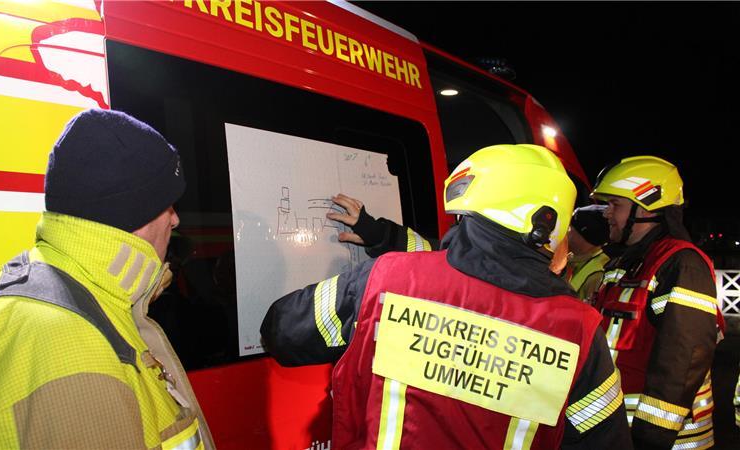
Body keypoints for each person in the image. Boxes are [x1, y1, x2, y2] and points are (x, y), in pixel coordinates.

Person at [262, 144, 630, 449]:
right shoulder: (579, 333)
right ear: (547, 225)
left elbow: (281, 331)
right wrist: (380, 234)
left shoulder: (386, 279)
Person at [0, 109, 215, 449]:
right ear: (133, 211)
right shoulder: (71, 352)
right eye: (166, 204)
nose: (174, 220)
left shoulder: (24, 286)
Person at [590, 155, 721, 449]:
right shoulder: (624, 263)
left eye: (615, 205)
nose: (606, 214)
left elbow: (684, 358)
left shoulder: (682, 264)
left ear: (647, 207)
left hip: (665, 441)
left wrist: (650, 439)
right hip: (618, 433)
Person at [565, 205, 611, 302]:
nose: (566, 231)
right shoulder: (570, 258)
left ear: (584, 234)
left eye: (570, 227)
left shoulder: (598, 274)